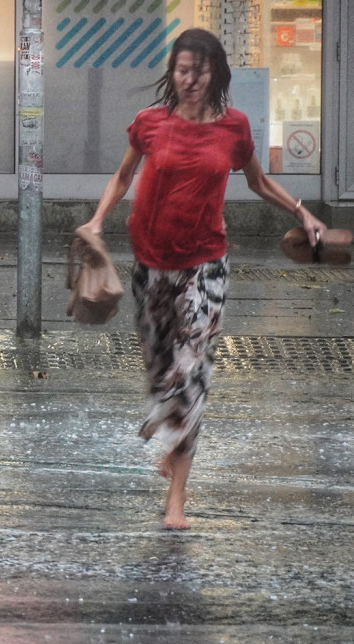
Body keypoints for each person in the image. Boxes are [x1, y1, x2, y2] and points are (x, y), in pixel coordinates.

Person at [81, 28, 331, 530]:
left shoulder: (234, 128)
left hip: (206, 264)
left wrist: (304, 213)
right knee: (160, 367)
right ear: (172, 73)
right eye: (182, 69)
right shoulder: (150, 123)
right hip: (151, 264)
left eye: (200, 69)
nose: (190, 79)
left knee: (191, 371)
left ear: (216, 73)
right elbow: (123, 176)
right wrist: (97, 220)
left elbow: (258, 182)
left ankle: (177, 496)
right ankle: (165, 412)